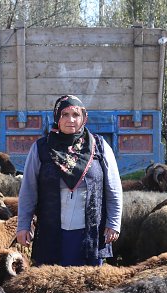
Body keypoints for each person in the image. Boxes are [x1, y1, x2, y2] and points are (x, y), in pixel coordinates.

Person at [16, 95, 123, 266]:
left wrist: (114, 223)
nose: (70, 120)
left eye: (76, 114)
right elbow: (28, 190)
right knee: (52, 283)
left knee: (89, 286)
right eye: (65, 114)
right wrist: (23, 225)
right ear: (57, 117)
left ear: (84, 118)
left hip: (90, 233)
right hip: (52, 233)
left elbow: (114, 189)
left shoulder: (99, 146)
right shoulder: (41, 148)